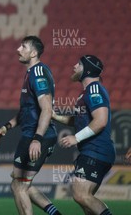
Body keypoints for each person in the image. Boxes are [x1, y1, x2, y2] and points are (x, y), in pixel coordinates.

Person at [0, 36, 60, 215]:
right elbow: (27, 111)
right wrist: (7, 126)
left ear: (33, 52)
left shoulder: (38, 73)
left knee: (19, 185)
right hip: (33, 134)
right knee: (20, 182)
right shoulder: (31, 73)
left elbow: (47, 109)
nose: (18, 49)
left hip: (37, 136)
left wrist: (37, 139)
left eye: (23, 46)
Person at [52, 55, 115, 215]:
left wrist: (76, 137)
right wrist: (56, 116)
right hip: (92, 151)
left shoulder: (94, 89)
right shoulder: (85, 93)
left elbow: (100, 121)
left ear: (86, 69)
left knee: (80, 195)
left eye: (78, 64)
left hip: (96, 151)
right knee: (87, 203)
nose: (74, 66)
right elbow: (79, 120)